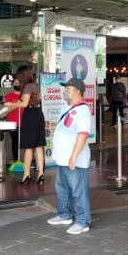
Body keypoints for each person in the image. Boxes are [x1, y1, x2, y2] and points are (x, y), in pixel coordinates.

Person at [46, 78, 92, 235]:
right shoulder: (67, 108)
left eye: (68, 88)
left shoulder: (83, 111)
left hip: (74, 159)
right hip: (62, 158)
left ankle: (82, 221)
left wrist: (74, 156)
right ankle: (64, 214)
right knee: (62, 187)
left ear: (77, 91)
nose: (65, 91)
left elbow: (83, 134)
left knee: (79, 190)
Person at [6, 65, 46, 185]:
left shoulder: (28, 86)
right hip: (38, 114)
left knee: (29, 147)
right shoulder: (33, 86)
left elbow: (24, 104)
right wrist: (14, 104)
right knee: (38, 146)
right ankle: (40, 174)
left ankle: (26, 174)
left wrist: (11, 105)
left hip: (30, 116)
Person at [3, 76, 24, 162]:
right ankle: (16, 160)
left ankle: (24, 160)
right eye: (15, 83)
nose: (16, 84)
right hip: (13, 123)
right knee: (15, 142)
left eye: (18, 83)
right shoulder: (10, 96)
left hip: (23, 122)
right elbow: (6, 109)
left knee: (23, 143)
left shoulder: (25, 96)